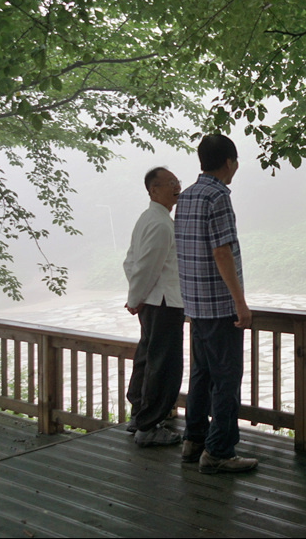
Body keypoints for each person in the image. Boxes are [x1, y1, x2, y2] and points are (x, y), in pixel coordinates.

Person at [175, 134, 257, 474]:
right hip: (221, 307)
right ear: (229, 162)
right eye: (235, 162)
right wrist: (241, 303)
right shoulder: (218, 197)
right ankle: (219, 451)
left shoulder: (187, 196)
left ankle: (193, 441)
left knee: (201, 375)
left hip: (194, 305)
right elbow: (221, 251)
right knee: (226, 379)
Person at [123, 167, 185, 447]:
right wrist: (136, 298)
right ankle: (148, 426)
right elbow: (146, 267)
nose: (176, 186)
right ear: (153, 190)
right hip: (164, 302)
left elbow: (131, 262)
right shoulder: (160, 224)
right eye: (170, 183)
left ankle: (139, 415)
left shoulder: (147, 218)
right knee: (164, 364)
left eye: (177, 181)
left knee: (148, 357)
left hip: (153, 301)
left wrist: (137, 297)